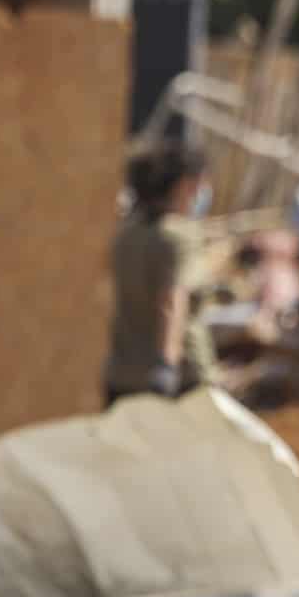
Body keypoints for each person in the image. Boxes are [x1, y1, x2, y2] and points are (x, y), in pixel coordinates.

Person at [105, 142, 220, 407]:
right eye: (200, 185)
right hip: (179, 379)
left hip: (123, 373)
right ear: (184, 185)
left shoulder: (127, 233)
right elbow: (171, 300)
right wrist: (167, 364)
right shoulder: (177, 236)